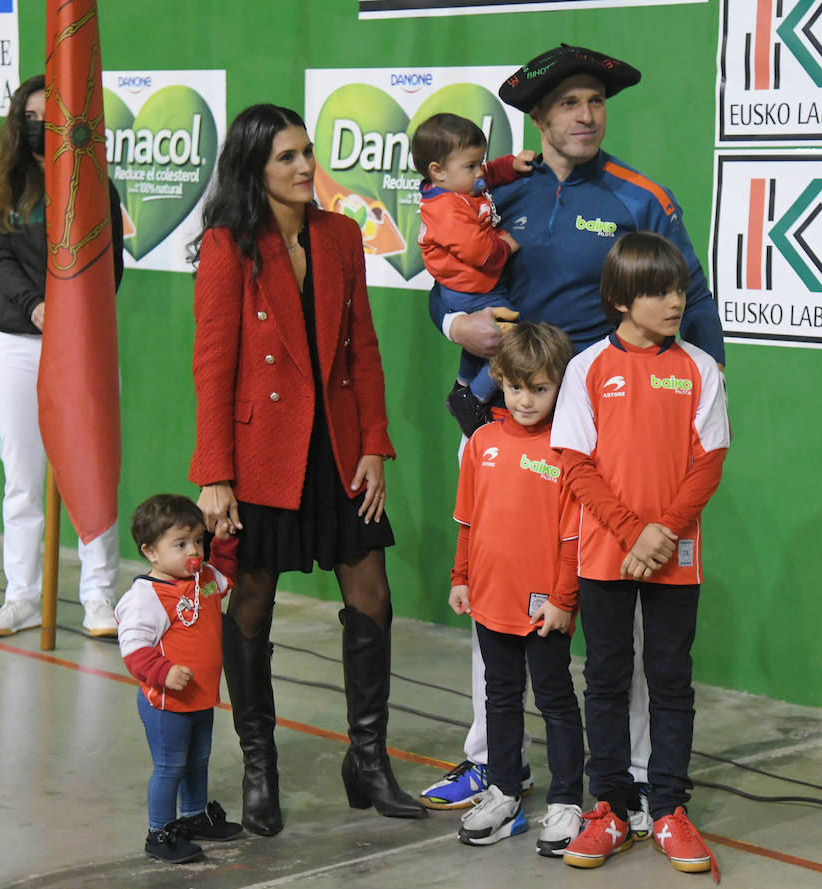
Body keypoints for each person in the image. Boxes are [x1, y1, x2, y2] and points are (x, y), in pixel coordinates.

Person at [420, 44, 727, 829]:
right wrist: (458, 322)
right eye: (568, 104)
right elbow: (445, 283)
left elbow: (691, 310)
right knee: (495, 596)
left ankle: (617, 781)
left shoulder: (640, 198)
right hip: (498, 425)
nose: (585, 115)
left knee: (611, 612)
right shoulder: (493, 190)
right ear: (538, 118)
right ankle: (494, 764)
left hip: (600, 448)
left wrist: (698, 415)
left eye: (595, 101)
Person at [189, 103, 425, 837]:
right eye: (287, 157)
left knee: (372, 596)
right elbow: (213, 365)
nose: (303, 167)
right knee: (252, 602)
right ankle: (261, 768)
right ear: (253, 168)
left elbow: (364, 346)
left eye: (307, 153)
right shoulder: (229, 247)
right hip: (263, 455)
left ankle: (368, 760)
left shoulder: (340, 236)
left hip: (339, 447)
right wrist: (215, 474)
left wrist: (374, 444)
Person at [551, 232, 728, 880]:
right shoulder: (587, 368)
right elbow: (575, 462)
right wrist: (634, 533)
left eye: (679, 288)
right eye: (659, 291)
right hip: (608, 554)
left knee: (671, 679)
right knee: (606, 678)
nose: (676, 301)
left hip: (673, 557)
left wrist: (663, 534)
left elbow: (708, 462)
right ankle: (612, 809)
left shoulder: (701, 371)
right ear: (622, 300)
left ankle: (670, 809)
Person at [0, 73, 124, 639]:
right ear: (20, 121)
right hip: (18, 344)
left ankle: (98, 597)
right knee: (22, 478)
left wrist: (79, 320)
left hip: (83, 349)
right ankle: (21, 597)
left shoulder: (94, 185)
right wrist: (37, 308)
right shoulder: (2, 186)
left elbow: (109, 265)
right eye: (33, 116)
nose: (42, 125)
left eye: (52, 116)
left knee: (90, 471)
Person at [448, 323, 585, 855]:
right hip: (489, 600)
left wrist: (562, 599)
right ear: (499, 380)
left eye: (541, 389)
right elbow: (467, 519)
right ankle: (504, 792)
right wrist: (461, 578)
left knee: (555, 700)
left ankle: (567, 799)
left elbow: (573, 538)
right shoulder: (482, 442)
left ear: (560, 387)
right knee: (499, 697)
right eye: (516, 387)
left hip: (543, 608)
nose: (526, 400)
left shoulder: (566, 449)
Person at [114, 494, 243, 864]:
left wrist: (225, 539)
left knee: (198, 760)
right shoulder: (147, 596)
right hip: (166, 703)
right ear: (151, 552)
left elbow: (226, 577)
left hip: (201, 697)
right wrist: (163, 672)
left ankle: (193, 816)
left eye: (199, 541)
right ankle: (159, 831)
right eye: (181, 544)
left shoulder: (202, 579)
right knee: (170, 766)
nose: (196, 552)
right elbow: (134, 648)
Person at [410, 113, 534, 437]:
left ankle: (463, 385)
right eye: (471, 166)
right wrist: (507, 244)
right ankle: (474, 395)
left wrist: (511, 165)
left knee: (490, 335)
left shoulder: (459, 183)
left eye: (481, 161)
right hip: (469, 290)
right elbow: (482, 254)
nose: (480, 171)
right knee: (510, 336)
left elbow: (487, 175)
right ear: (437, 171)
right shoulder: (447, 209)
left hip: (475, 286)